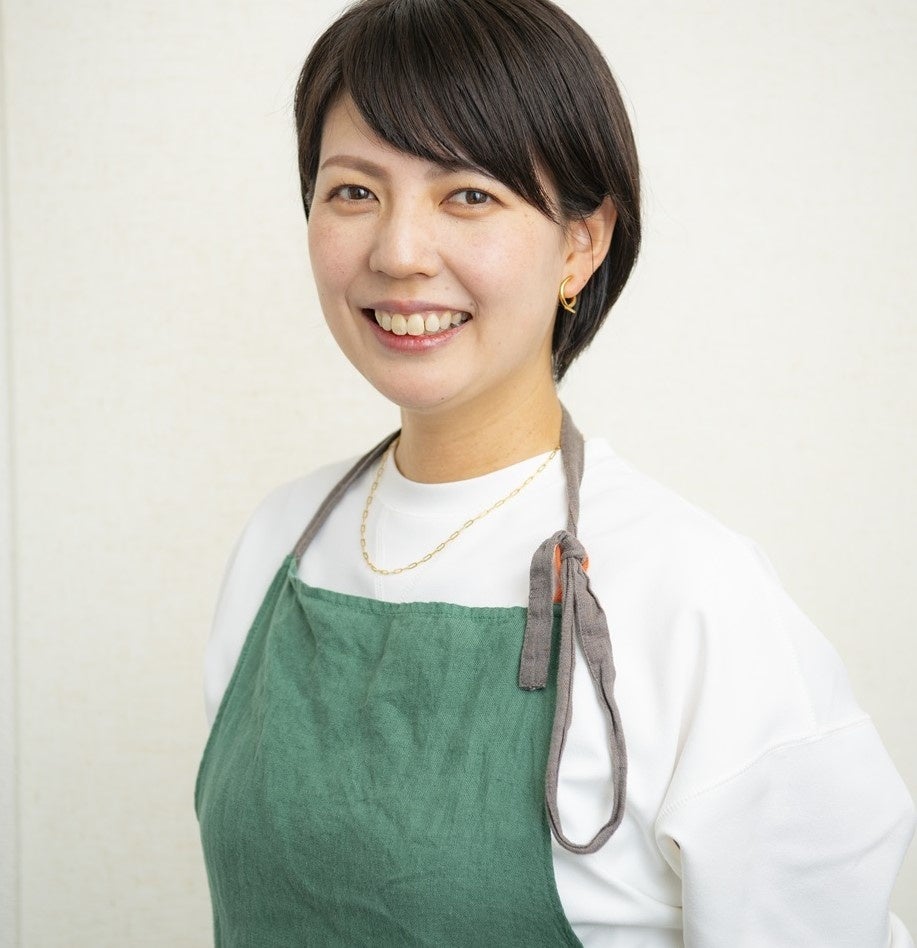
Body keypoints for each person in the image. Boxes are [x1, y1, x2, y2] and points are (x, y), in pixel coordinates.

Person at [195, 0, 915, 944]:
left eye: (468, 195)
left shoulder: (692, 592)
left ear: (582, 242)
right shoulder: (282, 544)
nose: (398, 253)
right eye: (354, 191)